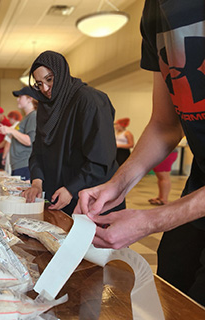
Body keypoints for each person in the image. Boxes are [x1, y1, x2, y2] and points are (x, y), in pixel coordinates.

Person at [75, 0, 205, 306]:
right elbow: (164, 125)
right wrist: (116, 185)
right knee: (174, 279)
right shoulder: (154, 13)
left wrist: (151, 220)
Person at [22, 51, 125, 216]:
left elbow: (101, 159)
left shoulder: (90, 100)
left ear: (61, 73)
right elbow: (39, 151)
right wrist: (37, 182)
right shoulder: (46, 106)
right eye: (39, 84)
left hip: (91, 197)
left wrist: (71, 189)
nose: (45, 89)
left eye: (49, 79)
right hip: (60, 196)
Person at [0, 87, 37, 181]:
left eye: (20, 97)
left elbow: (29, 141)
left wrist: (11, 131)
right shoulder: (26, 117)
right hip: (18, 165)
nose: (17, 99)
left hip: (24, 165)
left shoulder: (33, 116)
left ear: (29, 99)